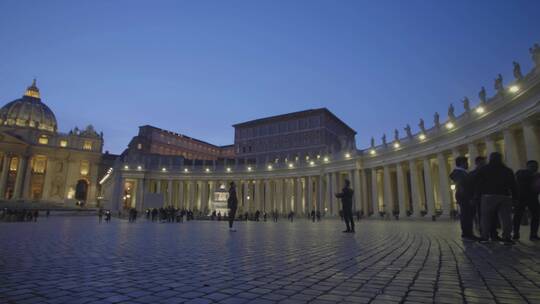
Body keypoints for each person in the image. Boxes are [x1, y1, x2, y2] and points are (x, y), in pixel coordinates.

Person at [474, 152, 517, 245]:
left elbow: (478, 183)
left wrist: (477, 195)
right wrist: (515, 197)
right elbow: (513, 185)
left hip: (488, 196)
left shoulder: (484, 169)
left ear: (490, 159)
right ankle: (507, 237)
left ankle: (484, 237)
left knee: (486, 217)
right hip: (505, 195)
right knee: (506, 218)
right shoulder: (507, 170)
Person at [450, 156, 477, 240]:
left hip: (464, 196)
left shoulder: (461, 172)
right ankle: (467, 233)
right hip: (465, 197)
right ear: (462, 163)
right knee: (466, 215)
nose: (467, 164)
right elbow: (462, 186)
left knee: (466, 215)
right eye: (466, 162)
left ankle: (467, 233)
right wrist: (469, 198)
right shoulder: (458, 173)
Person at [513, 160, 540, 241]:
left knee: (535, 216)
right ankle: (516, 233)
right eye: (532, 166)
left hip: (531, 198)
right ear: (527, 166)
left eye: (536, 166)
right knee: (518, 216)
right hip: (522, 198)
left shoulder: (536, 175)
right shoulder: (521, 172)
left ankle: (533, 234)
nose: (534, 168)